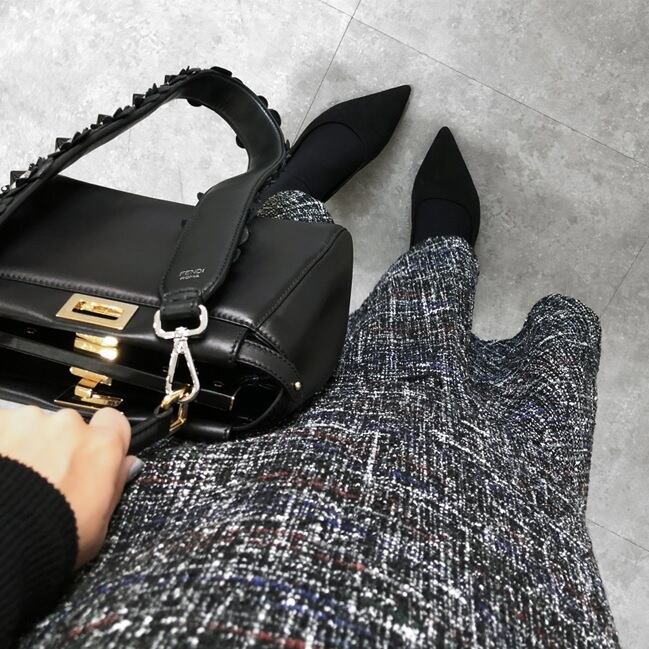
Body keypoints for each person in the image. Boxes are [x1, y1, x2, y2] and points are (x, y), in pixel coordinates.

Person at [0, 88, 619, 648]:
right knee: (423, 381)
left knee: (239, 329)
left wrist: (20, 525)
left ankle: (297, 197)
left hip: (136, 556)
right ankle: (439, 249)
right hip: (479, 572)